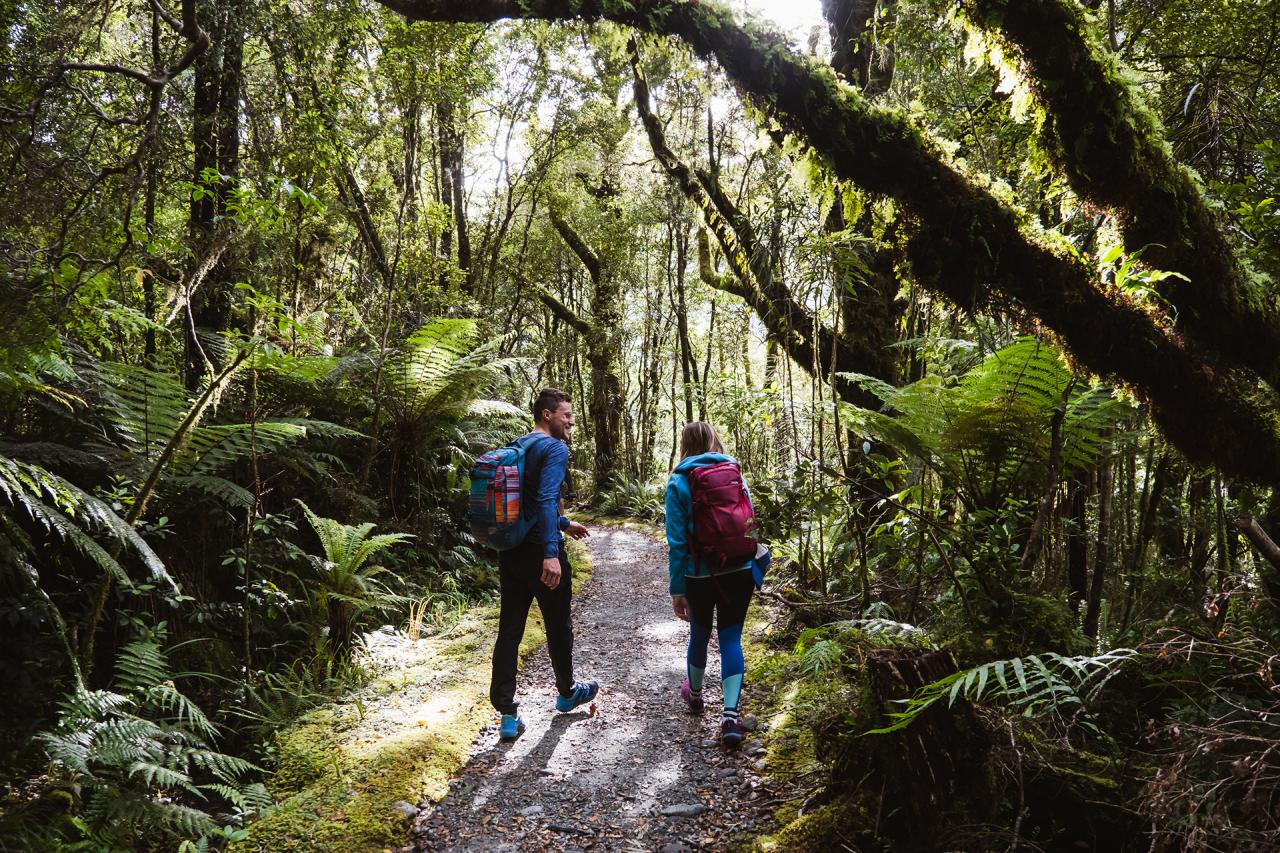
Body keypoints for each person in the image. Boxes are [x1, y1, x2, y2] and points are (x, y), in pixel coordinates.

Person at [490, 388, 598, 740]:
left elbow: (528, 503)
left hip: (512, 551)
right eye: (567, 415)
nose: (571, 422)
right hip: (541, 554)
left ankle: (507, 714)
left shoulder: (519, 445)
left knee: (510, 630)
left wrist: (566, 525)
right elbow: (548, 498)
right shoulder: (555, 448)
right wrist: (552, 552)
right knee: (557, 625)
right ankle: (567, 694)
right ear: (547, 414)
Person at [665, 421, 759, 747]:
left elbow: (677, 543)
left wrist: (677, 590)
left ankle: (694, 694)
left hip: (699, 574)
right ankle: (731, 718)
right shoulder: (734, 470)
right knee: (731, 637)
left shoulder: (678, 481)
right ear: (713, 439)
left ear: (685, 444)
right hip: (740, 568)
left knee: (700, 634)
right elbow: (749, 520)